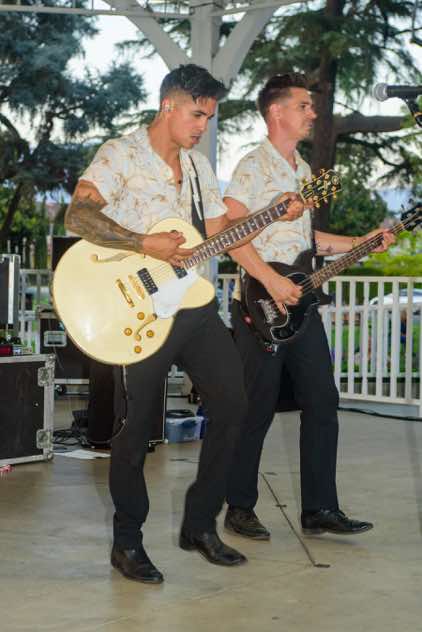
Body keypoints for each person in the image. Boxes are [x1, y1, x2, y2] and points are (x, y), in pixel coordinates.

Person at [64, 64, 303, 584]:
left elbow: (222, 233)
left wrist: (270, 213)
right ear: (168, 105)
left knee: (234, 404)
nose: (202, 126)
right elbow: (77, 216)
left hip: (193, 306)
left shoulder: (198, 167)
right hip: (138, 310)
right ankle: (128, 542)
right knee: (136, 429)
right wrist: (142, 242)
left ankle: (200, 524)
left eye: (209, 118)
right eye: (196, 114)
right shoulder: (121, 153)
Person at [222, 72, 395, 540]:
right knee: (255, 410)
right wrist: (271, 280)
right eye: (303, 105)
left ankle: (320, 508)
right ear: (276, 112)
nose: (313, 113)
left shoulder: (302, 171)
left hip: (301, 306)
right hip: (259, 306)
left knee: (322, 401)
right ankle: (239, 507)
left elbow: (307, 240)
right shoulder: (252, 166)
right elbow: (231, 234)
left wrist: (360, 242)